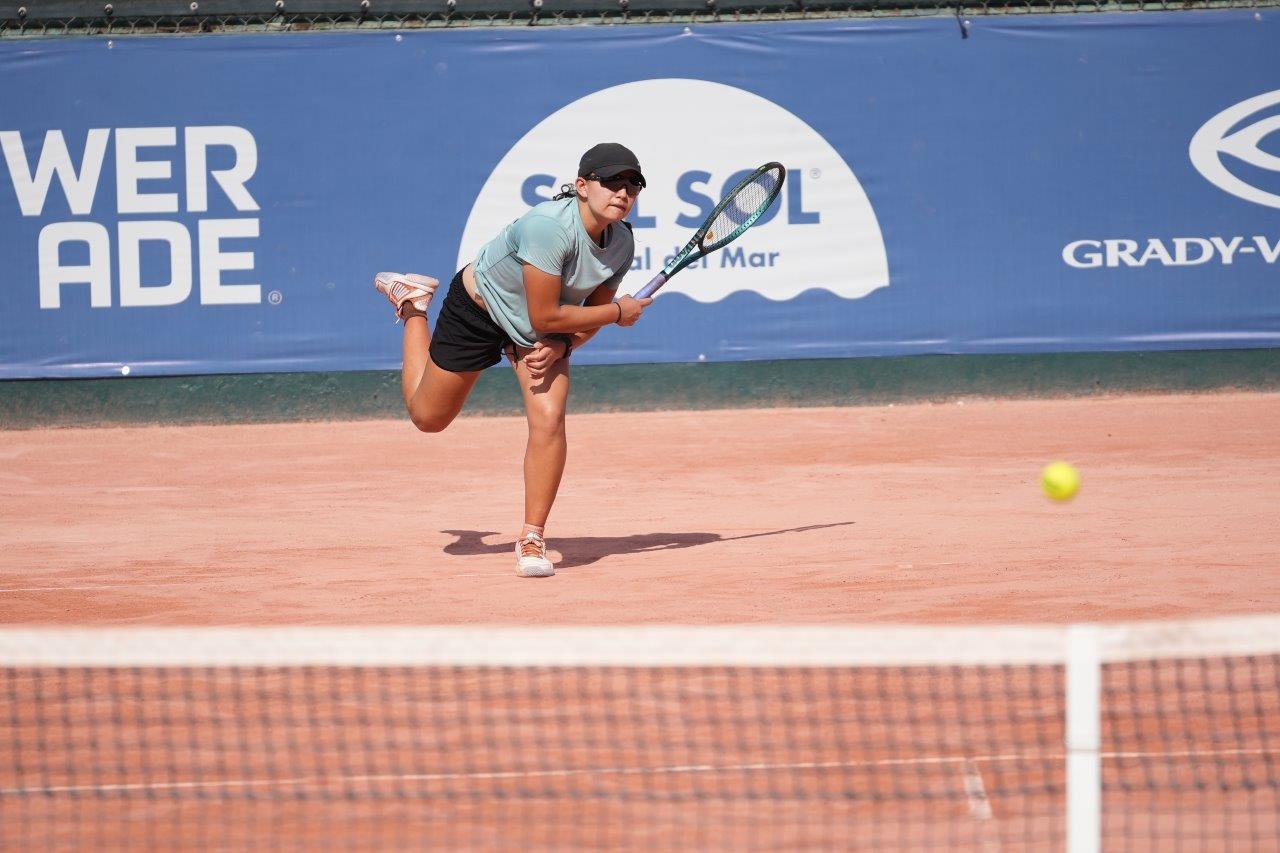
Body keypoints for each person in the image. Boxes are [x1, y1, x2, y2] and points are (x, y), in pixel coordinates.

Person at [374, 142, 653, 578]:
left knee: (550, 417)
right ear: (582, 186)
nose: (623, 191)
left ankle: (532, 536)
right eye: (612, 181)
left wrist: (562, 346)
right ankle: (413, 306)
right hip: (482, 309)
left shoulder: (621, 243)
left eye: (632, 184)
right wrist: (620, 312)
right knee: (428, 418)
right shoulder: (547, 228)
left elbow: (583, 314)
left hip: (541, 330)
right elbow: (557, 312)